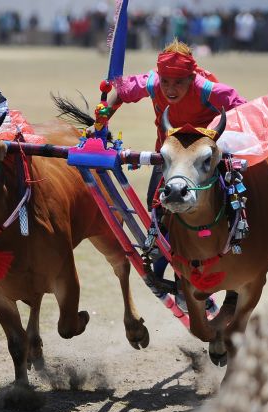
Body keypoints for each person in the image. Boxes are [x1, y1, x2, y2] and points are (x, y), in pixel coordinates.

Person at [89, 38, 247, 311]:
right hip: (171, 161)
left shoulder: (207, 89)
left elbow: (240, 105)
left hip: (204, 162)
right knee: (157, 211)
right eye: (166, 82)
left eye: (179, 83)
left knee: (233, 208)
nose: (171, 89)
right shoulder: (151, 83)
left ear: (191, 78)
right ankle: (175, 272)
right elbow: (122, 91)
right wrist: (101, 121)